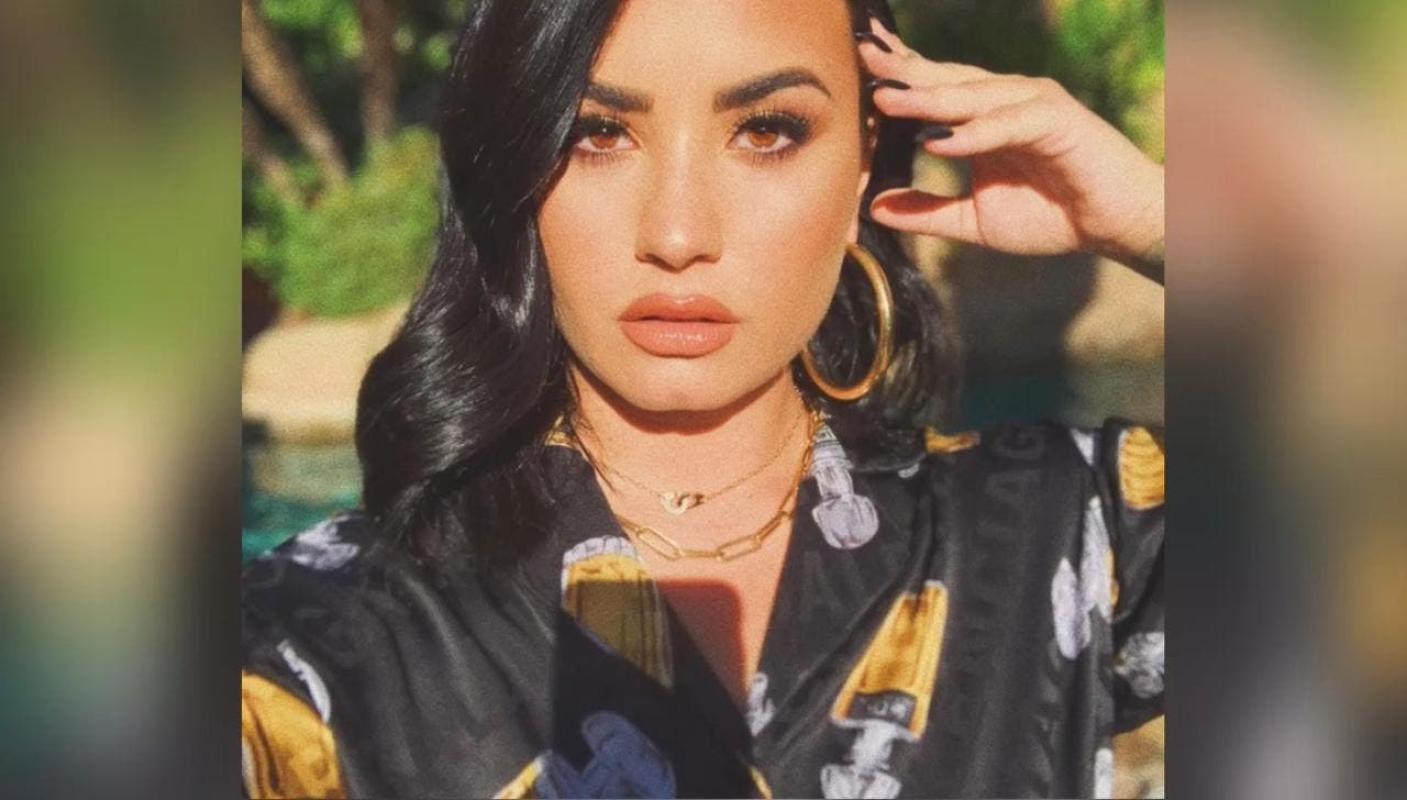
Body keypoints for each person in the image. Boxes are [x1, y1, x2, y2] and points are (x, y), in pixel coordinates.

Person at [240, 0, 1164, 797]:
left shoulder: (1053, 529)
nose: (678, 234)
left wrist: (1159, 222)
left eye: (766, 131)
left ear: (860, 165)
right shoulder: (321, 637)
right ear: (515, 168)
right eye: (597, 134)